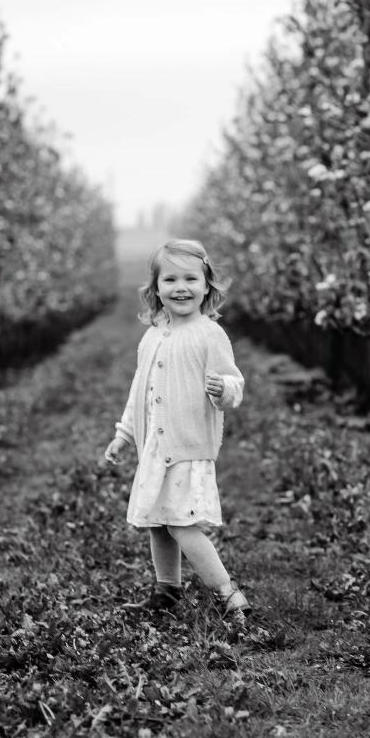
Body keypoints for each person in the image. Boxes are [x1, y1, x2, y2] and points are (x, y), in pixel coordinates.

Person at [104, 238, 251, 626]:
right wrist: (125, 433)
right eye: (170, 279)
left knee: (182, 523)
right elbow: (141, 390)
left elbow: (233, 381)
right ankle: (167, 589)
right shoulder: (153, 334)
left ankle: (228, 594)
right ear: (155, 289)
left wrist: (226, 391)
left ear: (207, 287)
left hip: (187, 446)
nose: (180, 287)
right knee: (158, 518)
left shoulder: (209, 334)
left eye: (191, 278)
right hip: (156, 446)